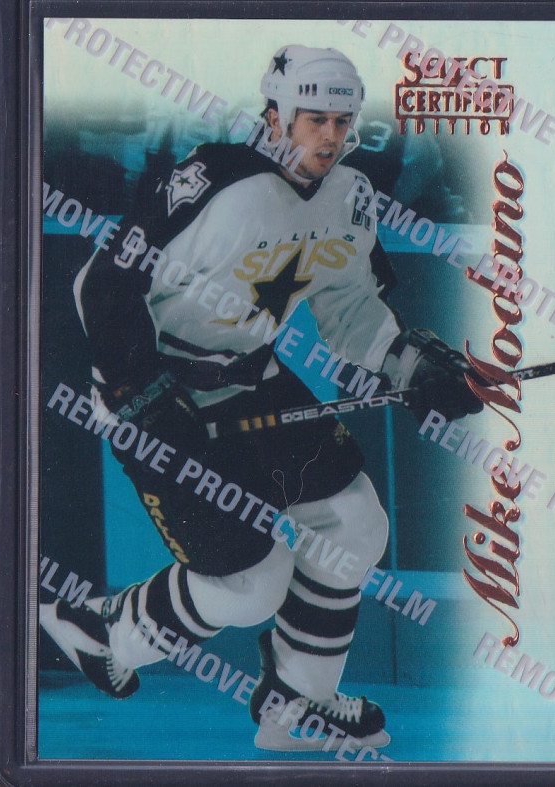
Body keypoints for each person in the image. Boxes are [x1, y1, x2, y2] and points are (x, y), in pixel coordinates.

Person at [40, 45, 482, 752]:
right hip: (151, 395)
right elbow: (100, 284)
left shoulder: (350, 197)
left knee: (354, 525)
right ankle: (101, 629)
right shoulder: (214, 178)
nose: (330, 136)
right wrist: (138, 394)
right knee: (251, 582)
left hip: (251, 377)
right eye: (313, 119)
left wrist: (410, 365)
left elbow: (351, 311)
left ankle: (299, 705)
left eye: (341, 121)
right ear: (275, 115)